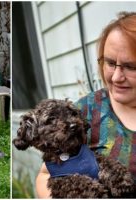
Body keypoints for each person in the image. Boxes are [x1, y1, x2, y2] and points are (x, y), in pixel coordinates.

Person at [36, 11, 136, 198]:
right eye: (110, 63)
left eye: (130, 66)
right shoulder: (85, 111)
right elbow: (46, 175)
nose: (116, 77)